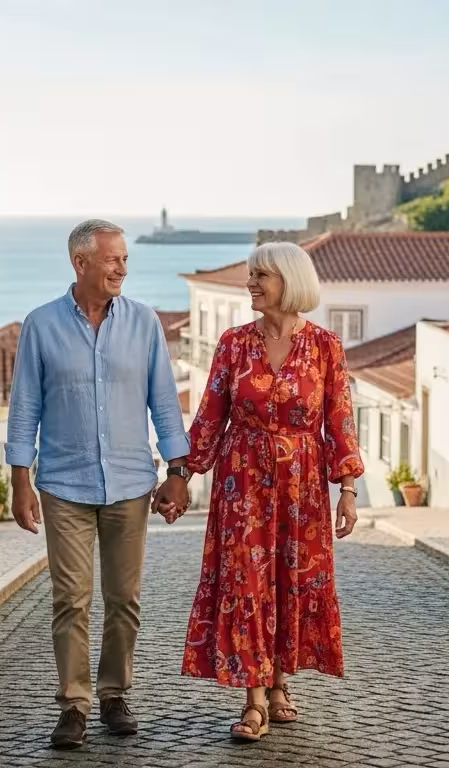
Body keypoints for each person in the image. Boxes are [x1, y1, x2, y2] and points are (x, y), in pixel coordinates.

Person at [6, 219, 192, 750]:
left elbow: (164, 403)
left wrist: (177, 473)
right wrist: (21, 482)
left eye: (125, 259)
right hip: (63, 483)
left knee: (124, 598)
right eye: (112, 260)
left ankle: (113, 695)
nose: (122, 269)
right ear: (80, 263)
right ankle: (74, 704)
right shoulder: (41, 325)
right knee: (70, 597)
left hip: (131, 482)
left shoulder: (144, 322)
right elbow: (25, 410)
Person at [167, 241, 363, 742]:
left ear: (290, 282)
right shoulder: (233, 344)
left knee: (288, 582)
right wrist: (181, 476)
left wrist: (347, 490)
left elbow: (340, 421)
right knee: (247, 586)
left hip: (303, 488)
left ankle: (279, 685)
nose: (252, 284)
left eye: (262, 276)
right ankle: (254, 700)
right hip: (243, 484)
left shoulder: (325, 347)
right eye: (252, 275)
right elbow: (210, 416)